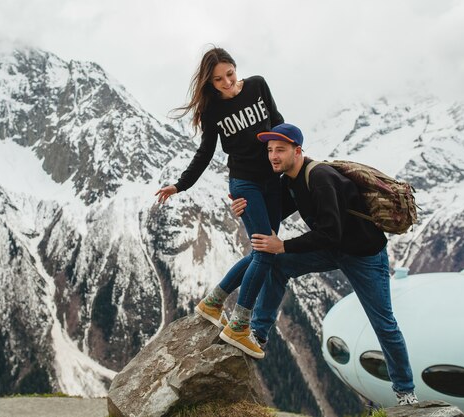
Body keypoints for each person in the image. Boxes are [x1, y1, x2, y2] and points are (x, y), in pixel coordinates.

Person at [230, 122, 419, 405]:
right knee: (279, 266)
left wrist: (283, 246)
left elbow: (331, 232)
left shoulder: (319, 178)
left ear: (298, 151)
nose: (273, 156)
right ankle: (258, 333)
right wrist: (245, 211)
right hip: (333, 249)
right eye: (270, 150)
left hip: (364, 256)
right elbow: (274, 215)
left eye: (280, 150)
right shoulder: (291, 180)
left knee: (383, 323)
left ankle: (405, 391)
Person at [155, 47, 284, 359]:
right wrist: (180, 185)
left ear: (236, 68)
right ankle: (239, 325)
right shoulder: (212, 112)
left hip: (273, 180)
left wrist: (294, 159)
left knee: (261, 251)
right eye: (218, 79)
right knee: (266, 251)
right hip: (245, 183)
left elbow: (277, 122)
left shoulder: (258, 86)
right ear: (209, 83)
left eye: (230, 74)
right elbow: (205, 152)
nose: (227, 82)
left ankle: (213, 303)